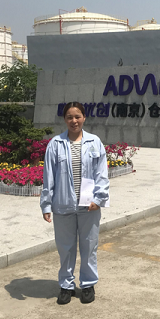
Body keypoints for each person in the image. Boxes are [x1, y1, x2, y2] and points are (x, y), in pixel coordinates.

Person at [41, 101, 109, 305]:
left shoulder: (94, 142)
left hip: (89, 206)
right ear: (64, 119)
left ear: (84, 118)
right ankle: (66, 286)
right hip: (63, 205)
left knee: (89, 247)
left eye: (77, 116)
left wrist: (99, 198)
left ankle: (88, 284)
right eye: (69, 117)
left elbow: (102, 174)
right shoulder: (56, 144)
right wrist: (46, 204)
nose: (74, 121)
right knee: (65, 248)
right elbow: (48, 177)